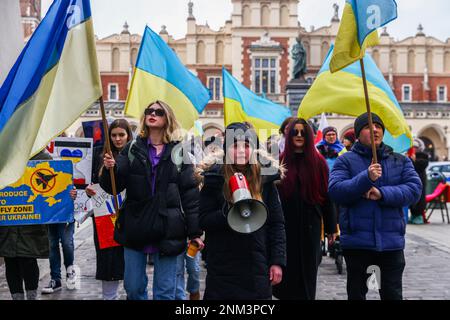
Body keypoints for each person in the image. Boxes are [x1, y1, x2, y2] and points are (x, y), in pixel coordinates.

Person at [100, 100, 203, 300]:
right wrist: (110, 170)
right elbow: (114, 187)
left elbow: (190, 196)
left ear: (167, 118)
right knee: (133, 287)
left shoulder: (179, 151)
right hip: (136, 224)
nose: (152, 114)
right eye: (149, 111)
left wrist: (195, 233)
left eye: (158, 111)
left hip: (168, 227)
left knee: (165, 291)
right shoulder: (132, 148)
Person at [329, 112, 422, 300]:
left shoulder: (400, 160)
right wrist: (366, 178)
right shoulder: (344, 161)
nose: (374, 130)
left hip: (391, 244)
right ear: (357, 134)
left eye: (378, 126)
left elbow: (414, 190)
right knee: (357, 294)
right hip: (358, 244)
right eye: (367, 127)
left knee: (392, 295)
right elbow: (336, 190)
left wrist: (383, 194)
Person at [197, 122, 286, 300]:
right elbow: (203, 219)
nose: (240, 151)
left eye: (246, 146)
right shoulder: (214, 179)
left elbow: (276, 224)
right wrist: (229, 213)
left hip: (256, 262)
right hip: (223, 264)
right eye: (234, 146)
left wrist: (277, 261)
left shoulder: (265, 180)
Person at [273, 118, 337, 300]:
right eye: (295, 132)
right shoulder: (280, 162)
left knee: (308, 273)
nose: (299, 135)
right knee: (287, 276)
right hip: (286, 226)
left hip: (311, 226)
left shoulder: (319, 163)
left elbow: (327, 196)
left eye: (303, 132)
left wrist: (331, 227)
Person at [0, 150, 72, 300]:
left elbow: (57, 188)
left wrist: (68, 195)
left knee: (28, 260)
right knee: (10, 261)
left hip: (31, 225)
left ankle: (32, 296)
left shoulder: (42, 158)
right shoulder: (4, 153)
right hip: (6, 224)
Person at [85, 119, 132, 300]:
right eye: (113, 135)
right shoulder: (99, 155)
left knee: (129, 262)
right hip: (104, 219)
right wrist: (89, 191)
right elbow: (91, 185)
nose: (118, 139)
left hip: (130, 218)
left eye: (121, 135)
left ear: (128, 135)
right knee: (108, 261)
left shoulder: (135, 154)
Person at [41, 151, 78, 295]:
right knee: (52, 244)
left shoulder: (66, 154)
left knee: (67, 243)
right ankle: (55, 278)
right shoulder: (45, 156)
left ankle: (70, 271)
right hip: (51, 209)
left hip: (66, 209)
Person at [408, 140, 429, 224]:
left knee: (420, 198)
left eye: (416, 147)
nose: (414, 149)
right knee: (412, 197)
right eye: (413, 147)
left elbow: (421, 165)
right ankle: (413, 215)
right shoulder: (410, 155)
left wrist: (414, 160)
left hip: (420, 180)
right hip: (412, 180)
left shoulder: (423, 156)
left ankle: (419, 216)